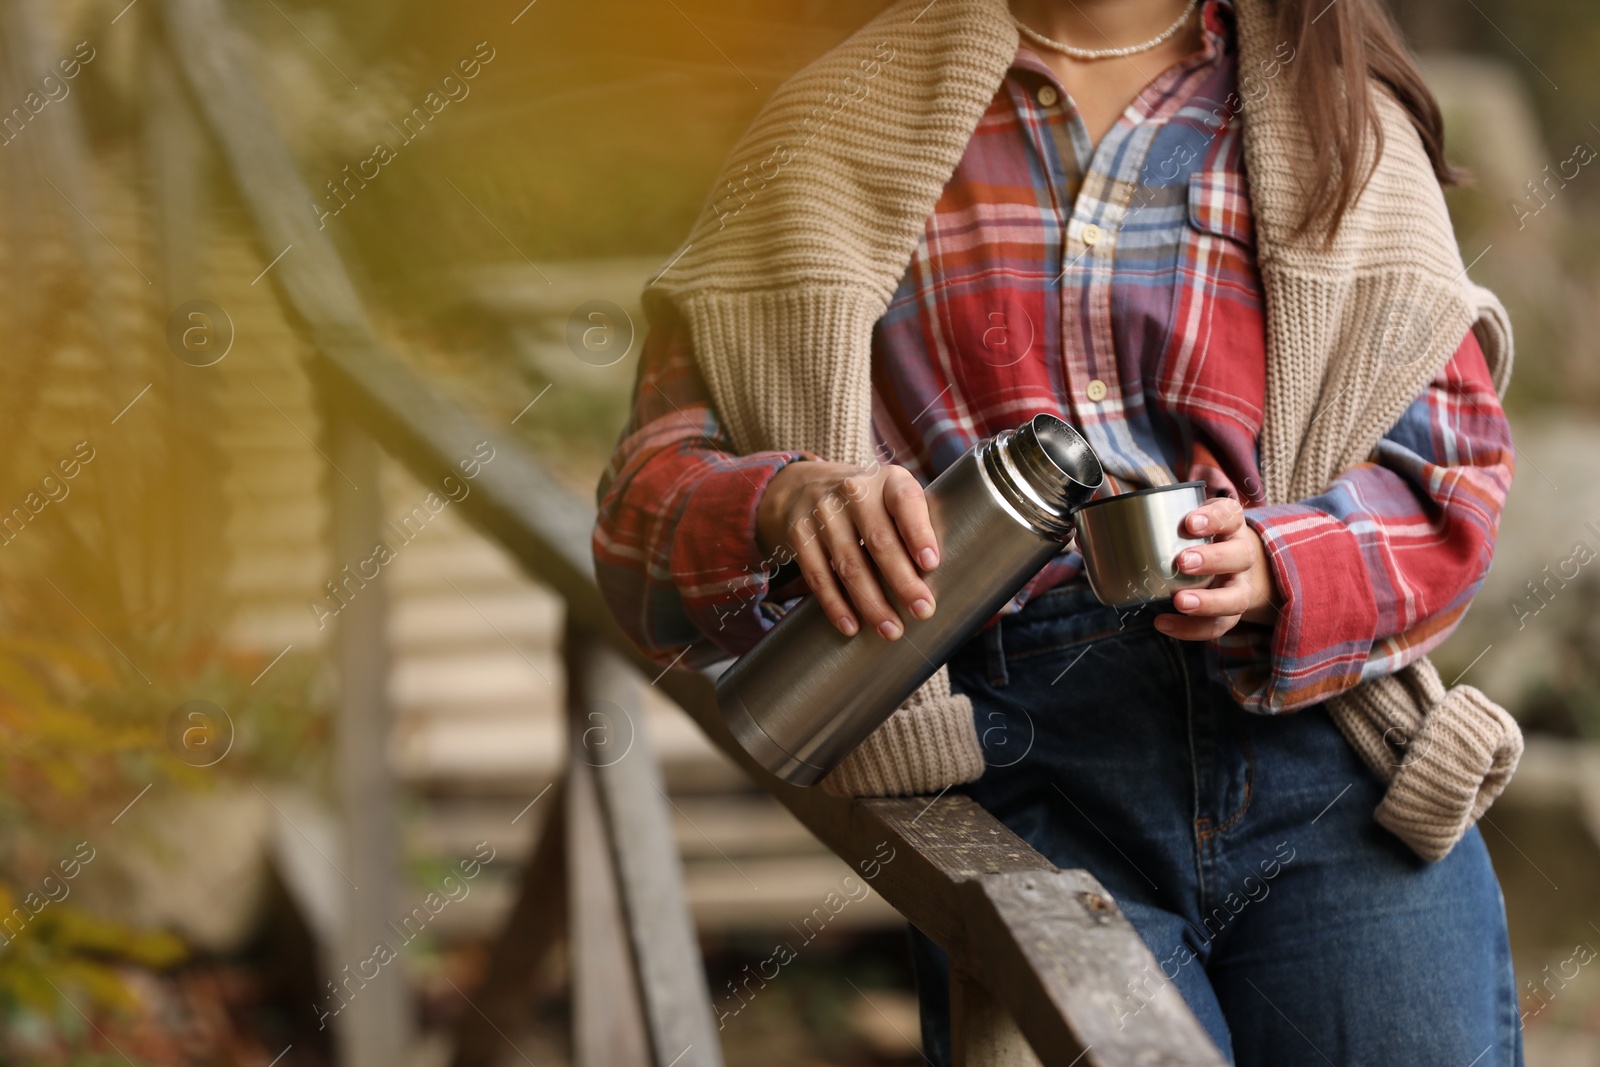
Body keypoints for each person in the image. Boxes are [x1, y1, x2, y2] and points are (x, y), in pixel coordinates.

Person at [593, 0, 1524, 1061]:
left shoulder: (1341, 116)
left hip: (1322, 747)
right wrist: (784, 501)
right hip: (1012, 768)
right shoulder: (833, 124)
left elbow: (1452, 473)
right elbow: (640, 516)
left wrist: (1285, 560)